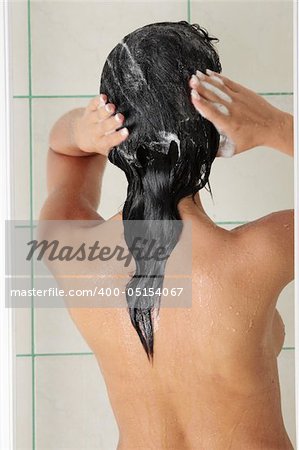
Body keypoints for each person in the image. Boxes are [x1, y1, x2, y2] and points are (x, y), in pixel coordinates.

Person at [40, 21, 294, 450]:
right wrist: (275, 126)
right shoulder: (266, 252)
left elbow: (62, 149)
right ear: (217, 132)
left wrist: (81, 130)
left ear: (112, 136)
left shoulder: (72, 253)